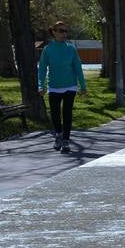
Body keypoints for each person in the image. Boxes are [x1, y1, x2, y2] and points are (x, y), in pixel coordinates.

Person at [38, 21, 86, 153]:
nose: (64, 34)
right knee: (55, 114)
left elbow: (78, 68)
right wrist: (41, 85)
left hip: (70, 86)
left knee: (67, 113)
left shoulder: (71, 48)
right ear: (54, 32)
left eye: (65, 31)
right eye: (61, 31)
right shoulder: (48, 49)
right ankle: (58, 134)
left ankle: (66, 141)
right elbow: (42, 69)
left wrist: (83, 86)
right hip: (54, 86)